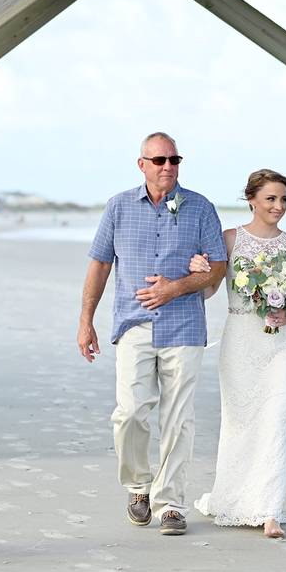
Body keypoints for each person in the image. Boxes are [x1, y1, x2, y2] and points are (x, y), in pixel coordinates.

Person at [77, 132, 227, 536]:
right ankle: (138, 486)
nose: (167, 167)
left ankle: (172, 504)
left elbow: (218, 266)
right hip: (133, 323)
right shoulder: (118, 207)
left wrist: (175, 287)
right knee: (129, 412)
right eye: (159, 160)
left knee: (178, 419)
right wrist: (85, 320)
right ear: (141, 164)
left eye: (174, 160)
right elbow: (99, 265)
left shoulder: (200, 208)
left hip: (184, 326)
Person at [188, 169, 286, 540]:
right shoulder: (229, 240)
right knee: (240, 424)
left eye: (284, 199)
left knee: (276, 422)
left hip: (280, 347)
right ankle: (234, 498)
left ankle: (269, 509)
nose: (279, 206)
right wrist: (199, 271)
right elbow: (207, 292)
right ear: (252, 199)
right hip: (240, 341)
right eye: (271, 198)